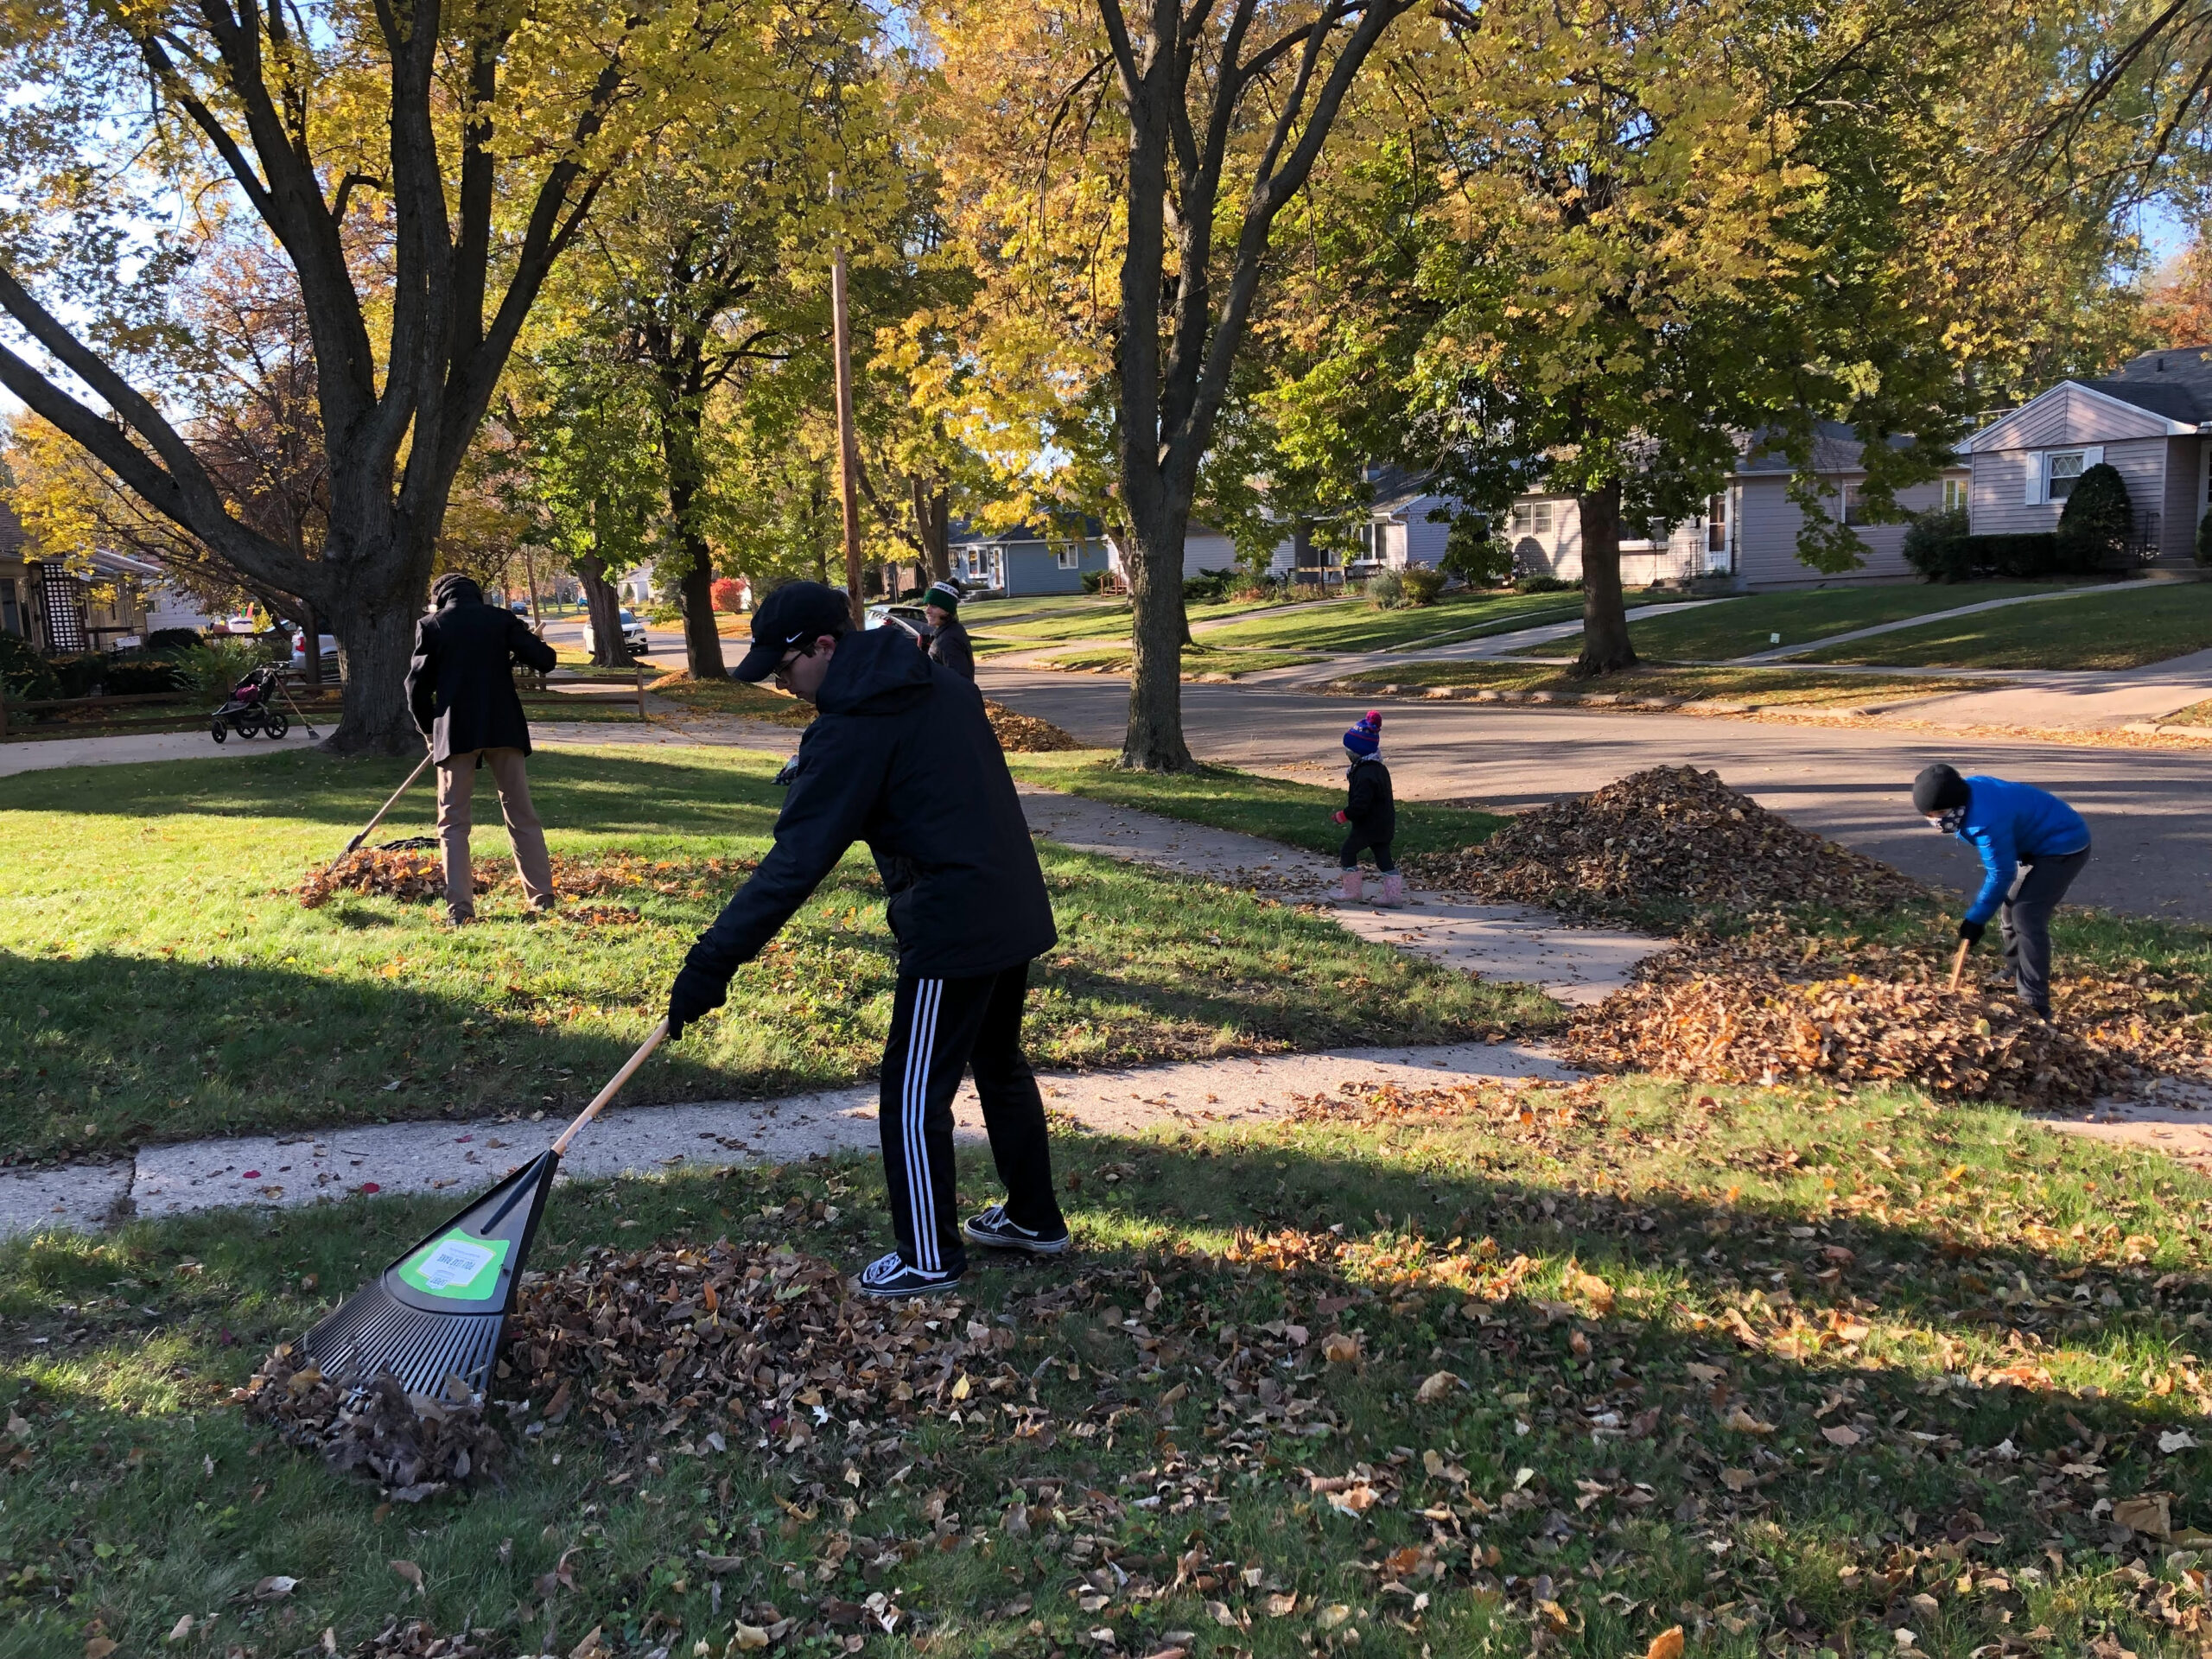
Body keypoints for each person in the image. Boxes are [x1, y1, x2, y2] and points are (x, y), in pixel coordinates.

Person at [665, 581, 1065, 1298]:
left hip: (953, 920)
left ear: (824, 646)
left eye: (785, 670)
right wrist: (818, 767)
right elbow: (922, 774)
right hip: (1009, 900)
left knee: (912, 1096)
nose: (785, 688)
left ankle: (928, 1257)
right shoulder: (934, 681)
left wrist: (710, 962)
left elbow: (793, 866)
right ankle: (1035, 1219)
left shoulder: (852, 728)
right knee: (999, 1063)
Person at [406, 574, 561, 925]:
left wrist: (430, 729)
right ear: (477, 596)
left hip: (456, 730)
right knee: (520, 812)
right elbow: (546, 660)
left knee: (453, 822)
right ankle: (542, 897)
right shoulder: (501, 620)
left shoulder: (433, 625)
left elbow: (416, 689)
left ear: (440, 598)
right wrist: (522, 637)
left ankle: (460, 910)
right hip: (503, 726)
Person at [1912, 763, 2091, 1020]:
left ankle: (2035, 1001)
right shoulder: (1965, 796)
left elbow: (2001, 873)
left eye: (1940, 812)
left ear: (1955, 804)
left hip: (2063, 845)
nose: (1935, 821)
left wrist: (1975, 919)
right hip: (2032, 842)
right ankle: (2015, 970)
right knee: (2009, 909)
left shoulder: (1984, 822)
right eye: (1928, 815)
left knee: (2026, 915)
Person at [1333, 710, 1401, 906]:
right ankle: (1393, 896)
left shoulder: (1364, 774)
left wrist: (1344, 815)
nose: (1347, 753)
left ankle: (1351, 891)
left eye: (1349, 750)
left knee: (1348, 851)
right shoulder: (1379, 768)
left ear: (1358, 752)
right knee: (1383, 857)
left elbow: (1361, 804)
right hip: (1385, 824)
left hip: (1368, 825)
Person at [920, 580, 974, 681]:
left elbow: (959, 682)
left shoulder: (948, 641)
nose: (927, 610)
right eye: (927, 605)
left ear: (947, 610)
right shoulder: (951, 631)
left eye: (934, 606)